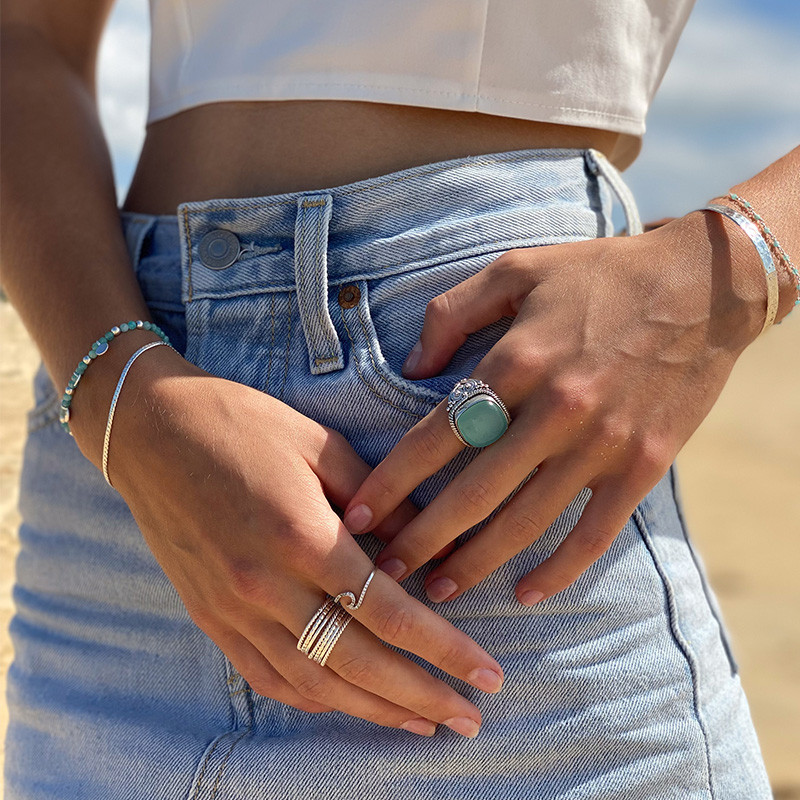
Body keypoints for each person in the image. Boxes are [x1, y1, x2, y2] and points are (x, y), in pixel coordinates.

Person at [1, 0, 796, 797]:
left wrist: (735, 266)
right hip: (117, 465)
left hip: (500, 480)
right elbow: (25, 34)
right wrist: (119, 397)